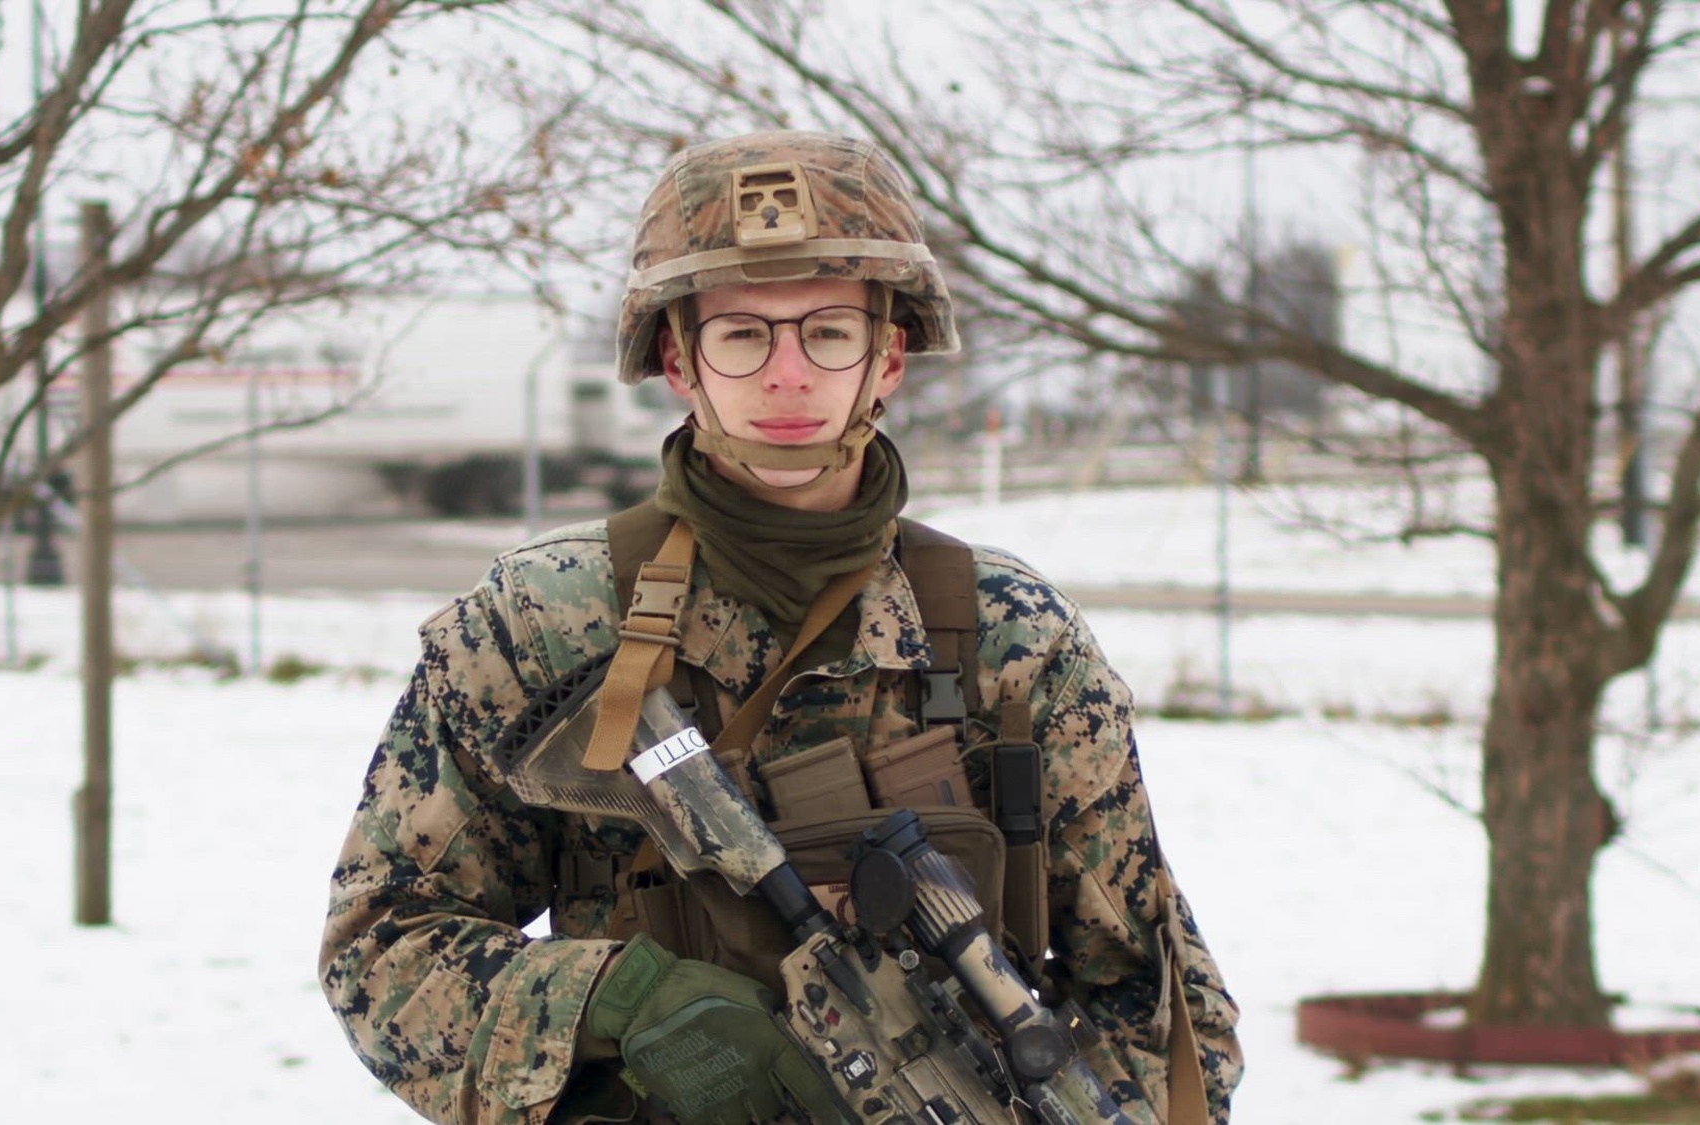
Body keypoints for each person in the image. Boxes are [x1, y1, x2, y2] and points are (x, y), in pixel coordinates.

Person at [320, 131, 1242, 1125]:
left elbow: (1157, 1008)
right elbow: (382, 954)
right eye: (742, 335)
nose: (788, 375)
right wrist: (619, 1000)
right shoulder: (542, 623)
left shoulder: (1012, 636)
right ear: (679, 359)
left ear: (887, 355)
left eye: (828, 333)